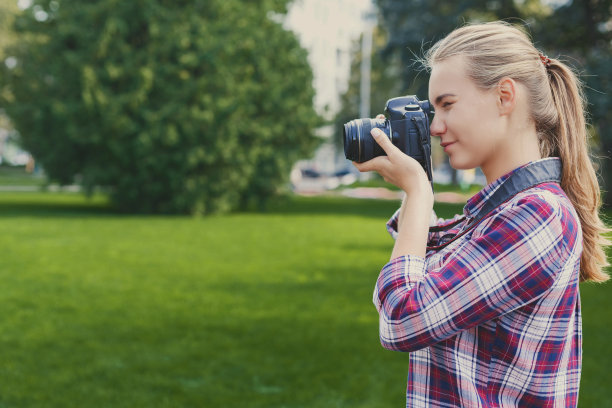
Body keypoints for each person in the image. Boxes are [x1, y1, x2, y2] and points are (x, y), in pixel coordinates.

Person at [353, 21, 609, 407]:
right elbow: (432, 253)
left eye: (447, 104)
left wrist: (419, 190)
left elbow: (402, 318)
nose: (435, 127)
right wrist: (415, 186)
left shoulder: (539, 216)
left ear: (505, 96)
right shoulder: (502, 215)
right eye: (431, 109)